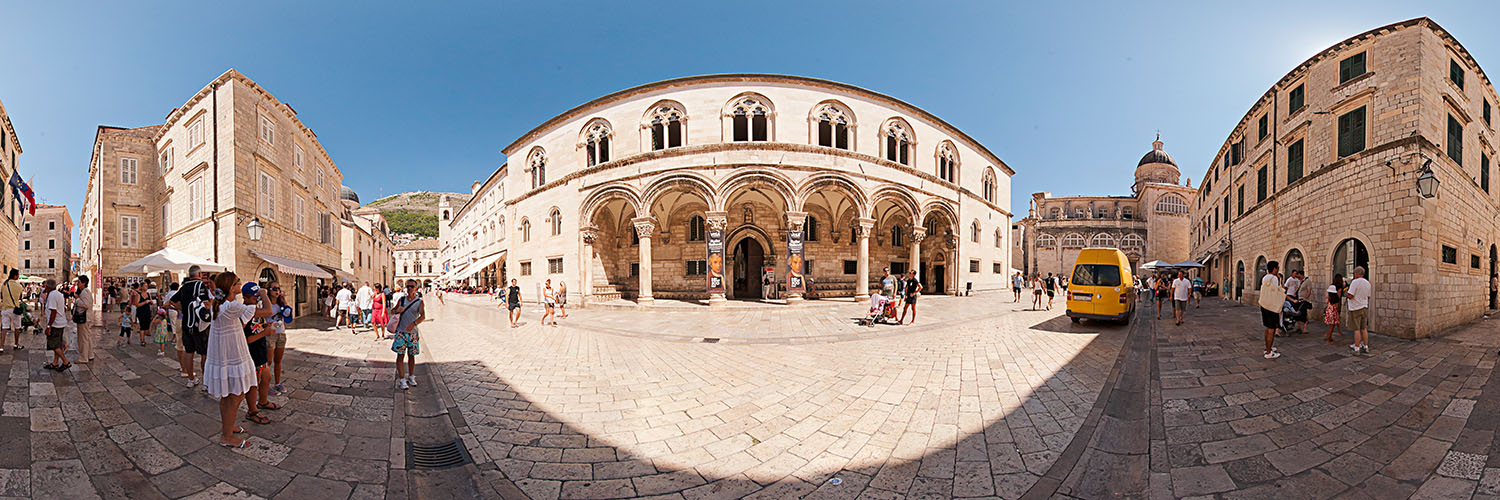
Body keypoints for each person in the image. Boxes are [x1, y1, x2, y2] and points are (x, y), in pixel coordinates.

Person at [204, 272, 276, 447]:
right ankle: (227, 437)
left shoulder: (222, 305)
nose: (240, 284)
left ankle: (228, 428)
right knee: (235, 395)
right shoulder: (231, 306)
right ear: (231, 287)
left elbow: (242, 322)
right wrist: (264, 294)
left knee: (229, 395)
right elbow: (268, 311)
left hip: (226, 354)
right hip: (233, 355)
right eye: (238, 282)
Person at [390, 280, 425, 390]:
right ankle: (402, 379)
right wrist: (397, 310)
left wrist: (414, 323)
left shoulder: (419, 302)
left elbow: (423, 316)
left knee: (411, 356)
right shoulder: (402, 300)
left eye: (412, 286)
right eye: (408, 286)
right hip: (401, 332)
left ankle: (411, 376)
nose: (409, 288)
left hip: (413, 334)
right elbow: (392, 311)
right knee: (400, 356)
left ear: (416, 288)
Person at [265, 282, 291, 396]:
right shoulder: (266, 304)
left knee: (278, 361)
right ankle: (265, 385)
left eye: (278, 288)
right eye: (274, 288)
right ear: (269, 290)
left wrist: (284, 299)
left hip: (281, 333)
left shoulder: (280, 304)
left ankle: (277, 383)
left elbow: (288, 314)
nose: (277, 291)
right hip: (270, 334)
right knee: (268, 362)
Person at [42, 279, 70, 371]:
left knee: (54, 345)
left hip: (55, 324)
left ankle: (66, 362)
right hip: (60, 322)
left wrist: (49, 326)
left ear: (48, 286)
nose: (44, 287)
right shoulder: (57, 294)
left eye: (45, 285)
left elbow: (53, 311)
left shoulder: (52, 295)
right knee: (57, 344)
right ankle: (55, 363)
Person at [1259, 261, 1283, 359]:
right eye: (1277, 268)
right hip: (1272, 307)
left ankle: (1267, 348)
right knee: (1271, 329)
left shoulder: (1265, 277)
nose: (1278, 270)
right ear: (1274, 269)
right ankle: (1268, 352)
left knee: (1268, 328)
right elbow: (1277, 292)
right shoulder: (1274, 278)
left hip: (1264, 305)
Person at [1346, 266, 1372, 355]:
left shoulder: (1355, 282)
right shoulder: (1367, 283)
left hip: (1355, 308)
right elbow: (1368, 297)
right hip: (1364, 307)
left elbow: (1350, 295)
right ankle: (1366, 346)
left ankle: (1357, 348)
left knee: (1356, 329)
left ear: (1356, 273)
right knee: (1363, 328)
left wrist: (1346, 294)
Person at [0, 269, 23, 352]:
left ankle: (1, 346)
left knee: (4, 328)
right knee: (17, 328)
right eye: (18, 275)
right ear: (15, 276)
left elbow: (2, 297)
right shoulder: (19, 286)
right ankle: (16, 344)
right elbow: (20, 298)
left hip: (5, 309)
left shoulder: (4, 284)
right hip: (15, 310)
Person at [74, 276, 95, 363]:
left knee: (83, 338)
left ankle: (83, 357)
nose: (77, 283)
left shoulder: (84, 292)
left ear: (83, 283)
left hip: (84, 318)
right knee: (87, 337)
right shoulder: (86, 291)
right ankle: (90, 354)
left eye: (78, 281)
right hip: (86, 317)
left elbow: (86, 305)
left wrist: (77, 300)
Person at [1325, 274, 1345, 345]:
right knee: (1332, 325)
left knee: (1332, 324)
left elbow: (1328, 299)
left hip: (1329, 309)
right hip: (1334, 310)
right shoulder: (1339, 289)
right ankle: (1328, 338)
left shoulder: (1331, 289)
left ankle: (1329, 336)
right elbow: (1338, 299)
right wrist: (1338, 307)